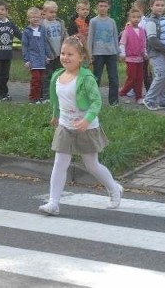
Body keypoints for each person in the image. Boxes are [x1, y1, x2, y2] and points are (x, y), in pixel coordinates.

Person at [38, 36, 123, 216]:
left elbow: (96, 102)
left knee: (92, 165)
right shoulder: (58, 76)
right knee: (60, 163)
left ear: (81, 57)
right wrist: (55, 115)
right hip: (65, 126)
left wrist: (87, 119)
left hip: (87, 127)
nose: (65, 57)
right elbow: (57, 100)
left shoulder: (86, 78)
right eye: (62, 53)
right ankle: (53, 203)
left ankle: (114, 189)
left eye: (70, 54)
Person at [87, 0, 120, 106]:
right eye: (100, 6)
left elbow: (115, 37)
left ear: (109, 7)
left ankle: (114, 101)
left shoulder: (112, 22)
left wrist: (118, 52)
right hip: (98, 54)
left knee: (114, 78)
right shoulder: (93, 21)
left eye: (105, 6)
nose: (102, 8)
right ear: (97, 7)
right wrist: (89, 54)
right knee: (96, 78)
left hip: (111, 53)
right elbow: (90, 38)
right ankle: (94, 101)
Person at [142, 0, 165, 111]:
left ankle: (163, 101)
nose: (160, 7)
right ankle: (149, 99)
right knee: (160, 76)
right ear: (151, 6)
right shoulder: (151, 21)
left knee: (164, 78)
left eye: (162, 5)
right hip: (156, 53)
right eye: (157, 5)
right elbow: (152, 39)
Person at [0, 0, 22, 101]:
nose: (0, 11)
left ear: (7, 11)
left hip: (7, 54)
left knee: (5, 75)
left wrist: (29, 39)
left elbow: (20, 35)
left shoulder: (10, 24)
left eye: (2, 9)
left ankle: (4, 93)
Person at [22, 7, 51, 104]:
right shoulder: (27, 31)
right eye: (33, 17)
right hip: (33, 59)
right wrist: (26, 60)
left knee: (41, 79)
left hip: (42, 59)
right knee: (36, 79)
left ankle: (40, 97)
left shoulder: (42, 29)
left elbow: (45, 43)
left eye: (37, 17)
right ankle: (33, 98)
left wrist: (46, 56)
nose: (35, 19)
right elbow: (25, 46)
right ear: (28, 18)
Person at [119, 7, 147, 104]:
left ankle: (138, 97)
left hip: (140, 59)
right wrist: (122, 54)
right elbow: (122, 43)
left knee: (139, 78)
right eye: (133, 17)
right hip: (130, 59)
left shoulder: (142, 30)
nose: (136, 19)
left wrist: (145, 53)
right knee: (131, 78)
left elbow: (144, 44)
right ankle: (123, 93)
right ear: (130, 18)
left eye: (138, 17)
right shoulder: (127, 31)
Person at [41, 0, 67, 102]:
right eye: (51, 12)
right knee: (47, 75)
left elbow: (64, 35)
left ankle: (58, 95)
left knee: (59, 75)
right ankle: (47, 95)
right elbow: (41, 41)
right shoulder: (42, 25)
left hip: (59, 54)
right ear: (44, 12)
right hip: (48, 55)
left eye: (55, 12)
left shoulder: (59, 23)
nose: (53, 14)